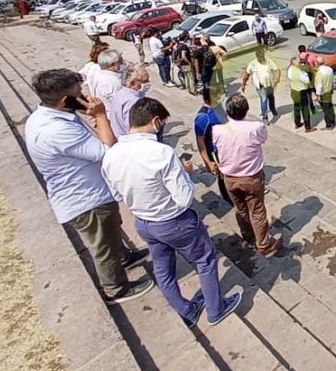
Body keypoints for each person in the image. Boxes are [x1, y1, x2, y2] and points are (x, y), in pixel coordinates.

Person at [101, 98, 242, 327]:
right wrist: (185, 173)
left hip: (144, 222)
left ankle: (186, 310)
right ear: (156, 122)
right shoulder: (162, 153)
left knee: (163, 269)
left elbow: (117, 194)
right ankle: (216, 308)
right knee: (205, 260)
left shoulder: (111, 154)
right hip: (174, 221)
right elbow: (184, 197)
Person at [25, 69, 153, 304]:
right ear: (65, 99)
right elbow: (106, 150)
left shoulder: (46, 117)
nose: (84, 96)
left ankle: (123, 257)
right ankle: (115, 288)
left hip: (90, 190)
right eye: (78, 93)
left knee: (111, 231)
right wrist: (102, 116)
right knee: (103, 243)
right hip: (85, 198)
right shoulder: (55, 130)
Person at [212, 93, 282, 257]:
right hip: (251, 177)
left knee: (240, 209)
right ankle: (263, 244)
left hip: (229, 178)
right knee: (257, 211)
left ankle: (249, 236)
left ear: (228, 111)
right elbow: (263, 139)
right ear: (246, 110)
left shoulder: (217, 130)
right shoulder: (255, 127)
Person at [109, 65, 151, 138]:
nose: (147, 84)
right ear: (132, 83)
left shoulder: (120, 93)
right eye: (144, 81)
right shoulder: (134, 101)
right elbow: (134, 127)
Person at [242, 48, 280, 124]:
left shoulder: (269, 62)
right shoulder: (252, 64)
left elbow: (277, 70)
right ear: (257, 56)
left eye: (262, 56)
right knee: (264, 99)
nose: (262, 58)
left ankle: (273, 109)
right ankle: (265, 117)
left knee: (271, 97)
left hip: (269, 84)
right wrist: (243, 84)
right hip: (260, 85)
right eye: (260, 56)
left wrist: (277, 79)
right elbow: (247, 75)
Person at [89, 49, 125, 114]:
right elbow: (119, 102)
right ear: (113, 65)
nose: (122, 64)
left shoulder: (98, 75)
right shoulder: (112, 81)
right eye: (120, 62)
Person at [287, 56, 315, 132]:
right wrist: (306, 73)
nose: (300, 62)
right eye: (298, 61)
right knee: (305, 109)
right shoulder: (300, 72)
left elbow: (290, 78)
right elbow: (307, 81)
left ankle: (297, 123)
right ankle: (308, 127)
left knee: (296, 107)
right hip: (302, 91)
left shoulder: (290, 69)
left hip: (294, 90)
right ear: (295, 63)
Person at [314, 56, 336, 130]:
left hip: (323, 93)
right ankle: (333, 121)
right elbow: (333, 80)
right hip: (329, 91)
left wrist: (318, 96)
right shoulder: (330, 69)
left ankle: (328, 125)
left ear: (317, 63)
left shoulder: (319, 73)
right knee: (330, 106)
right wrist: (332, 88)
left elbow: (319, 86)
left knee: (325, 110)